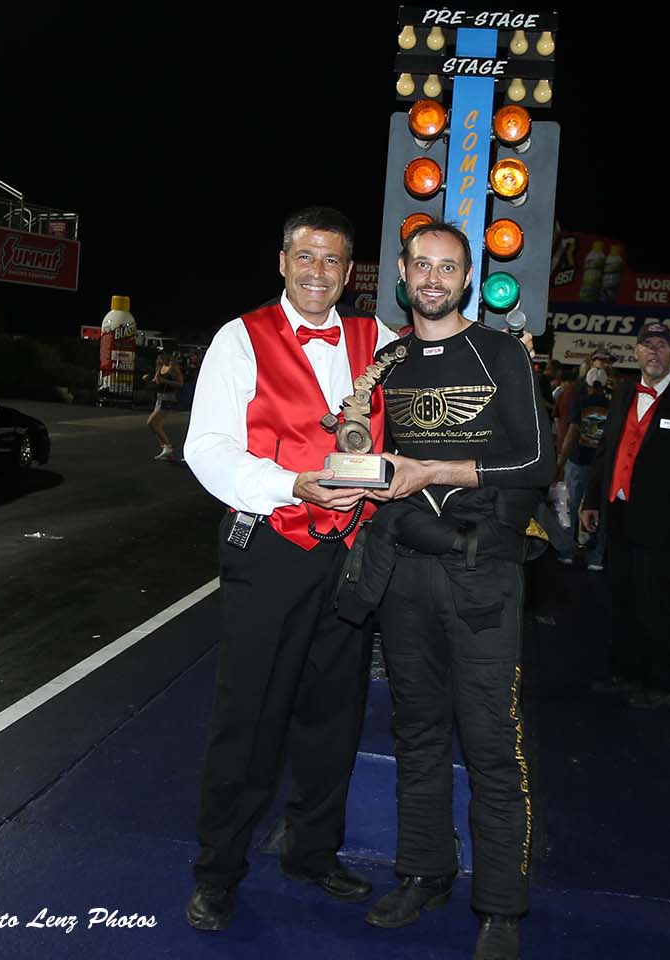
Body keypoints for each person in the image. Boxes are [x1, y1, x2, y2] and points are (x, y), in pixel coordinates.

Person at [180, 206, 398, 931]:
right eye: (305, 256)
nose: (317, 272)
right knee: (248, 717)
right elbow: (207, 448)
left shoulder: (378, 340)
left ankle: (312, 852)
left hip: (352, 552)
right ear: (282, 262)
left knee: (334, 716)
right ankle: (218, 870)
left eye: (332, 260)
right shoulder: (239, 338)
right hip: (272, 547)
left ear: (349, 271)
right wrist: (289, 484)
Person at [363, 221, 553, 960]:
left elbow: (536, 462)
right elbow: (363, 453)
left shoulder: (502, 354)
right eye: (423, 265)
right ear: (403, 273)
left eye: (448, 267)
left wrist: (432, 471)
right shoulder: (387, 363)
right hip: (405, 572)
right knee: (415, 731)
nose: (434, 279)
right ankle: (424, 871)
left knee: (490, 740)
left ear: (468, 279)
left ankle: (501, 905)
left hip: (483, 575)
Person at [580, 320, 670, 709]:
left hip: (663, 520)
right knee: (622, 599)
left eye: (661, 344)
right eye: (647, 345)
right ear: (636, 352)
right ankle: (624, 672)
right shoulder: (624, 392)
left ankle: (658, 683)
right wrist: (591, 500)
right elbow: (606, 450)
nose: (654, 351)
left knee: (654, 604)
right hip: (619, 512)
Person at [555, 365, 612, 569]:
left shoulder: (581, 402)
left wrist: (561, 462)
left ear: (587, 383)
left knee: (570, 507)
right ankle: (596, 556)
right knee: (598, 508)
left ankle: (567, 552)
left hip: (578, 460)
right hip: (601, 465)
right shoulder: (611, 405)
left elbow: (572, 432)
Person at [147, 351, 185, 461]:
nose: (160, 358)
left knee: (151, 422)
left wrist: (166, 381)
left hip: (168, 398)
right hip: (159, 398)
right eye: (159, 357)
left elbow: (180, 383)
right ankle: (168, 453)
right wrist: (150, 380)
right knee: (156, 426)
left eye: (162, 356)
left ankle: (168, 447)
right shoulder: (160, 367)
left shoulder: (173, 368)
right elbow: (156, 381)